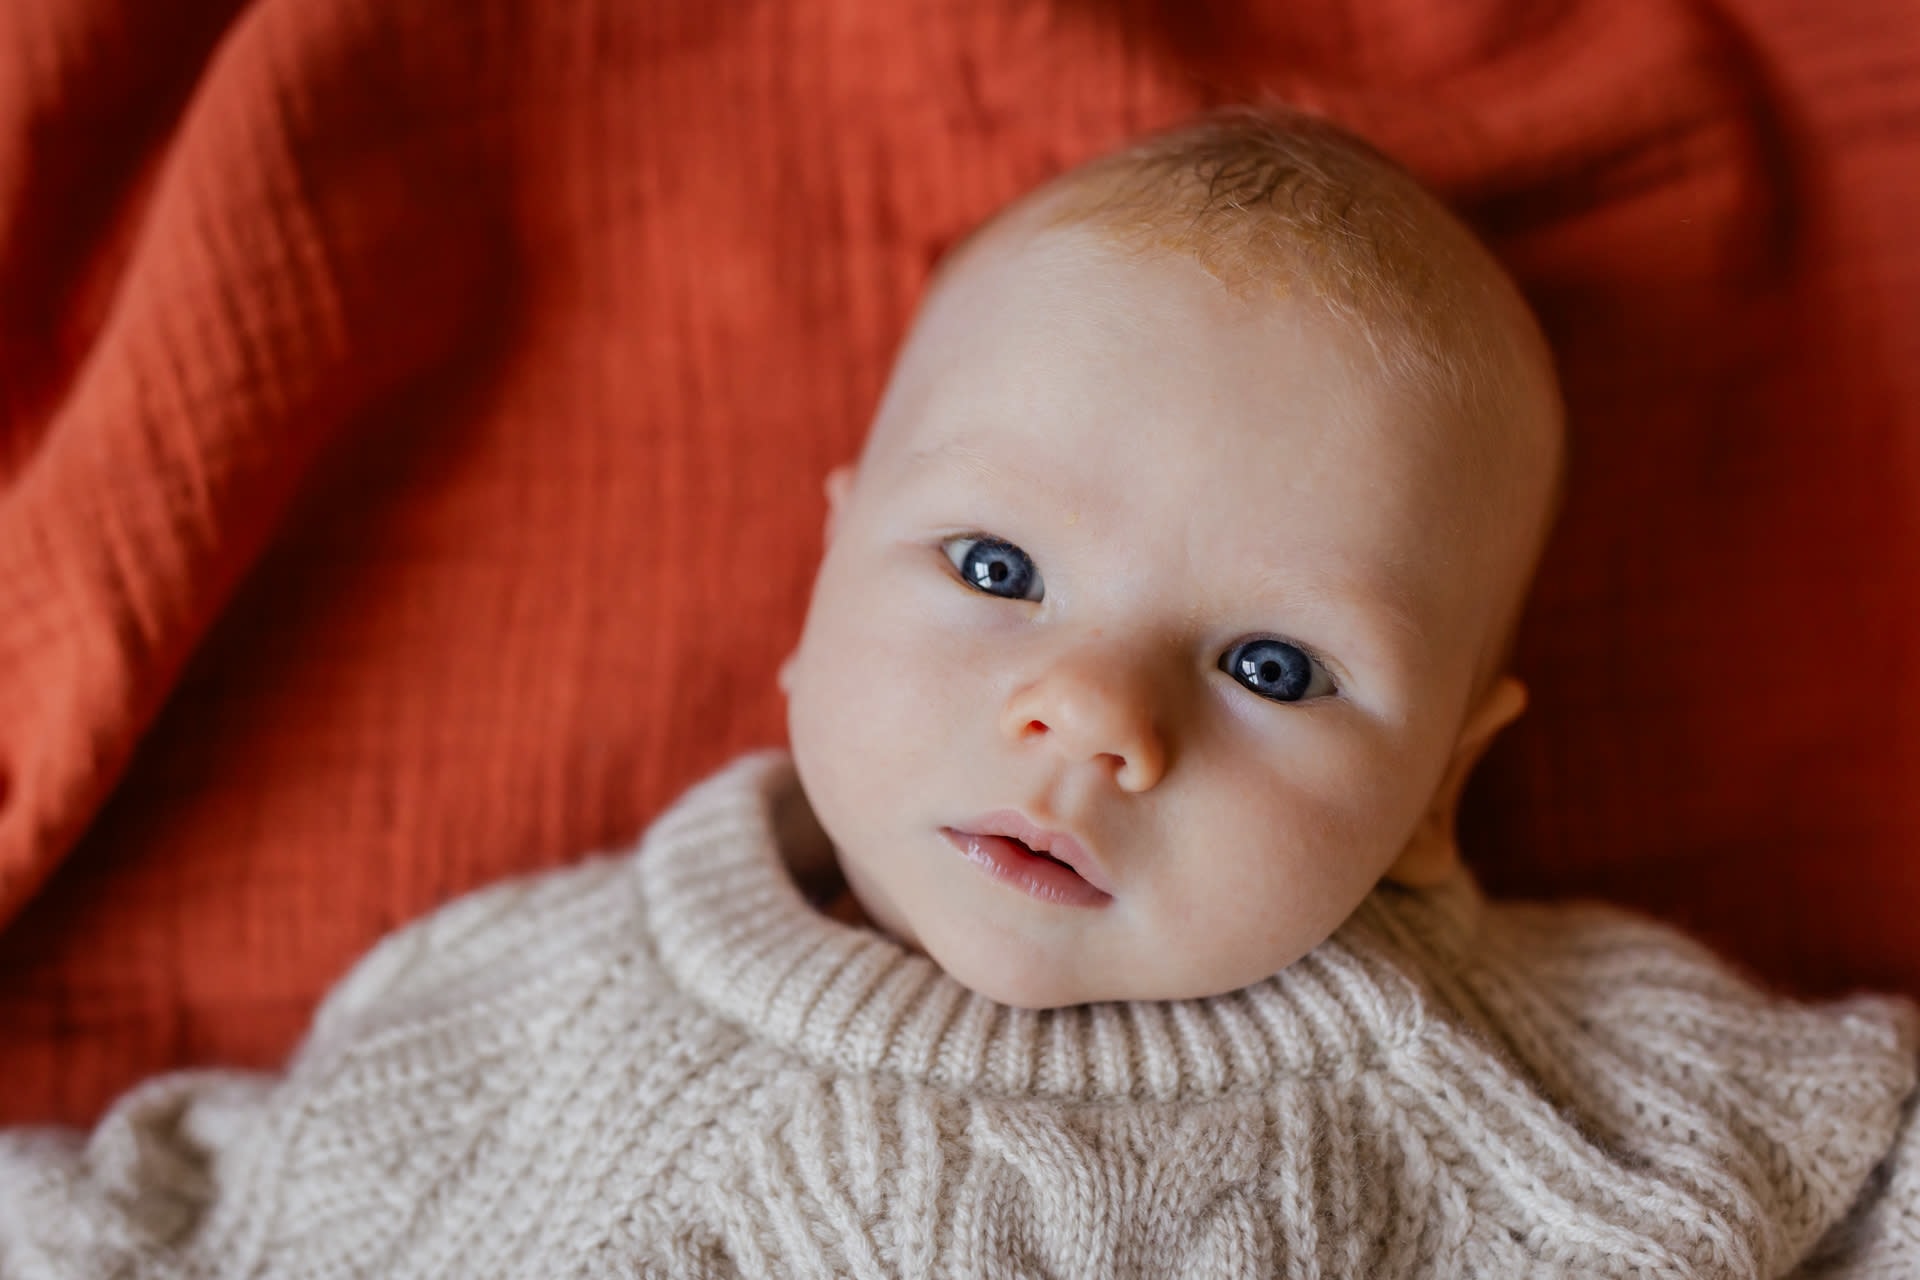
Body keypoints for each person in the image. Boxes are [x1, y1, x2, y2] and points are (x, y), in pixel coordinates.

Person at [2, 106, 1915, 1279]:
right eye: (997, 572)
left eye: (1274, 666)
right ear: (820, 584)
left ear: (1434, 789)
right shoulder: (541, 1006)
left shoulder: (1551, 1083)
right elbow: (162, 1232)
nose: (1091, 716)